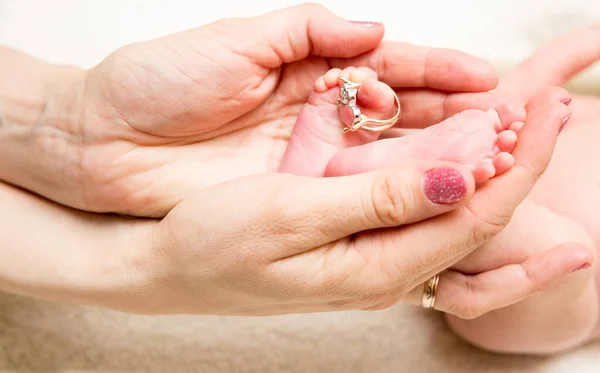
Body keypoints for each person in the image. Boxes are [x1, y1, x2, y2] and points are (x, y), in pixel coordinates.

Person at [0, 4, 578, 316]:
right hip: (502, 141)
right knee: (497, 109)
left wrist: (65, 120)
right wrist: (520, 91)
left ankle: (373, 176)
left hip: (551, 248)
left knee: (547, 246)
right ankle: (373, 169)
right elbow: (563, 58)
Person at [280, 21, 600, 355]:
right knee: (498, 110)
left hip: (552, 292)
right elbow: (545, 71)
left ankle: (396, 170)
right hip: (493, 158)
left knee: (555, 243)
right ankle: (360, 156)